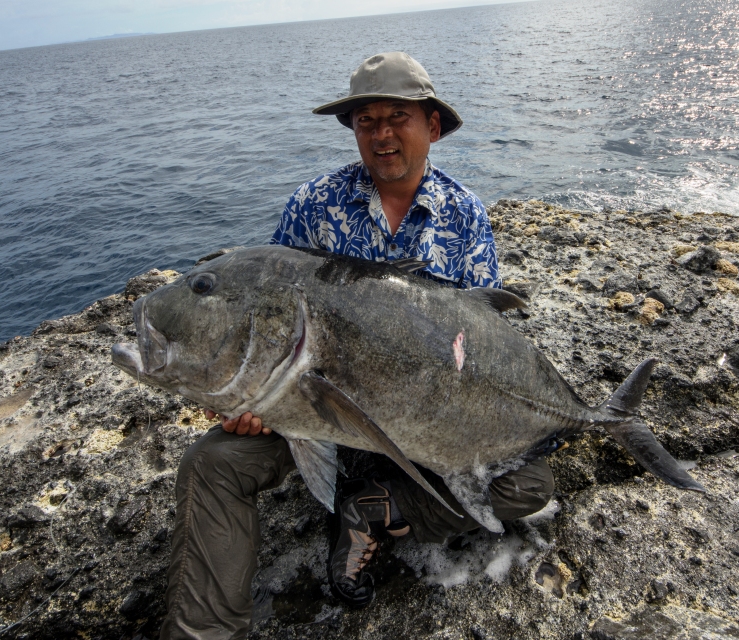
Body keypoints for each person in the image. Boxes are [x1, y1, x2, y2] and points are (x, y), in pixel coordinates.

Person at [160, 52, 555, 640]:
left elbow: (481, 341)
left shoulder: (464, 215)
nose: (381, 134)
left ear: (432, 127)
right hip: (313, 411)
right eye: (366, 121)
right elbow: (262, 309)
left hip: (422, 426)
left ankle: (374, 508)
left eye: (398, 117)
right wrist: (246, 397)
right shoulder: (314, 204)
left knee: (528, 485)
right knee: (211, 465)